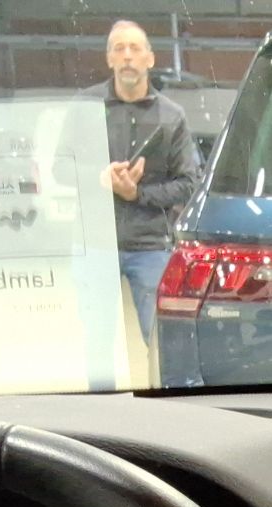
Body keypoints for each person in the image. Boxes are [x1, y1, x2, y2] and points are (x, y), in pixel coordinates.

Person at [80, 22, 199, 382]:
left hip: (151, 247)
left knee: (161, 341)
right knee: (96, 343)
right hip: (94, 244)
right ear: (109, 59)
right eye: (119, 48)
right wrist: (100, 179)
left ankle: (168, 407)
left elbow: (189, 183)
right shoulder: (85, 107)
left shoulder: (172, 116)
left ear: (150, 58)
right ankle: (100, 407)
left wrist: (138, 194)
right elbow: (59, 169)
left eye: (135, 48)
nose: (127, 56)